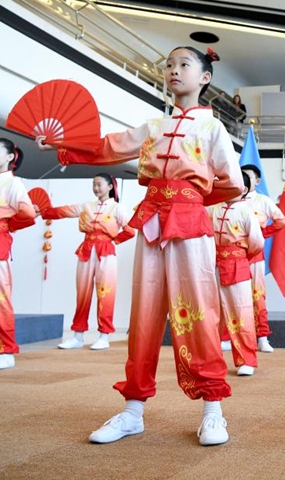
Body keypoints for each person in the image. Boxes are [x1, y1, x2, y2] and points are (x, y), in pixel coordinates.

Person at [39, 46, 244, 446]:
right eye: (169, 65)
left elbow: (233, 183)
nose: (173, 70)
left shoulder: (212, 128)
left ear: (204, 78)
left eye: (184, 64)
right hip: (150, 222)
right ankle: (133, 411)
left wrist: (191, 198)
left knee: (200, 313)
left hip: (190, 224)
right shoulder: (153, 126)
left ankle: (213, 410)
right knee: (144, 313)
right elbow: (107, 147)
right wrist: (62, 146)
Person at [38, 173, 135, 351]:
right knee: (82, 293)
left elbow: (130, 230)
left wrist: (113, 240)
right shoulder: (86, 206)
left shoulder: (117, 208)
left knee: (105, 293)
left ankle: (104, 335)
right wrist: (44, 211)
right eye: (94, 184)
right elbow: (63, 211)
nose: (96, 188)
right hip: (86, 250)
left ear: (110, 187)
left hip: (106, 252)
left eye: (99, 184)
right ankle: (78, 336)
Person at [220, 164, 285, 354]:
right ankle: (226, 337)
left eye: (248, 177)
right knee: (228, 297)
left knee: (257, 296)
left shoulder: (262, 201)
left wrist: (262, 233)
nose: (244, 180)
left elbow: (282, 221)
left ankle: (262, 337)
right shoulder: (228, 200)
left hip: (254, 255)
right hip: (231, 257)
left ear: (256, 181)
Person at [209, 173, 263, 376]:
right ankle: (211, 360)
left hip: (237, 264)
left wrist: (239, 255)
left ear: (245, 189)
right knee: (212, 313)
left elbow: (257, 243)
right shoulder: (213, 209)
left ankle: (246, 360)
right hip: (213, 264)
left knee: (241, 313)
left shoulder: (247, 212)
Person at [0, 138, 36, 370]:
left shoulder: (13, 185)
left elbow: (28, 213)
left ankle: (7, 349)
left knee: (1, 300)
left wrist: (8, 224)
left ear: (10, 157)